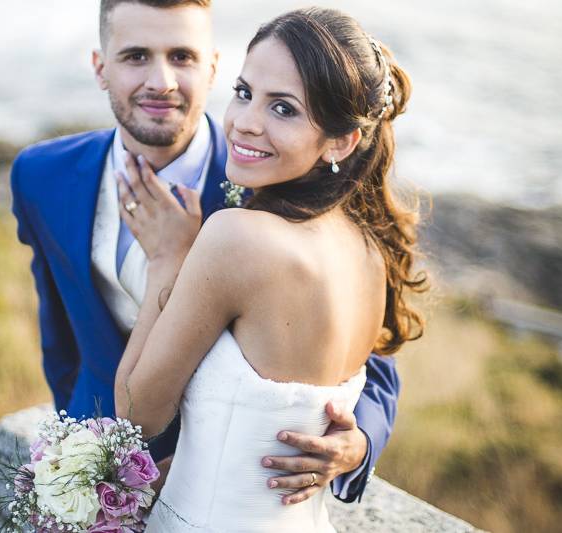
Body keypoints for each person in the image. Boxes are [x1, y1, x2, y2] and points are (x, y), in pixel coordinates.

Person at [10, 0, 401, 507]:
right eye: (134, 56)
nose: (161, 82)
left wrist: (358, 442)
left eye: (181, 56)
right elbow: (58, 329)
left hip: (214, 488)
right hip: (87, 473)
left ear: (212, 65)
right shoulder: (40, 176)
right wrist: (75, 446)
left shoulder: (270, 192)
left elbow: (370, 355)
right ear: (100, 66)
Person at [114, 6, 426, 530]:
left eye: (283, 108)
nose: (245, 122)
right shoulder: (371, 251)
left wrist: (169, 261)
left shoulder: (235, 237)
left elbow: (135, 416)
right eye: (243, 92)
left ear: (342, 141)